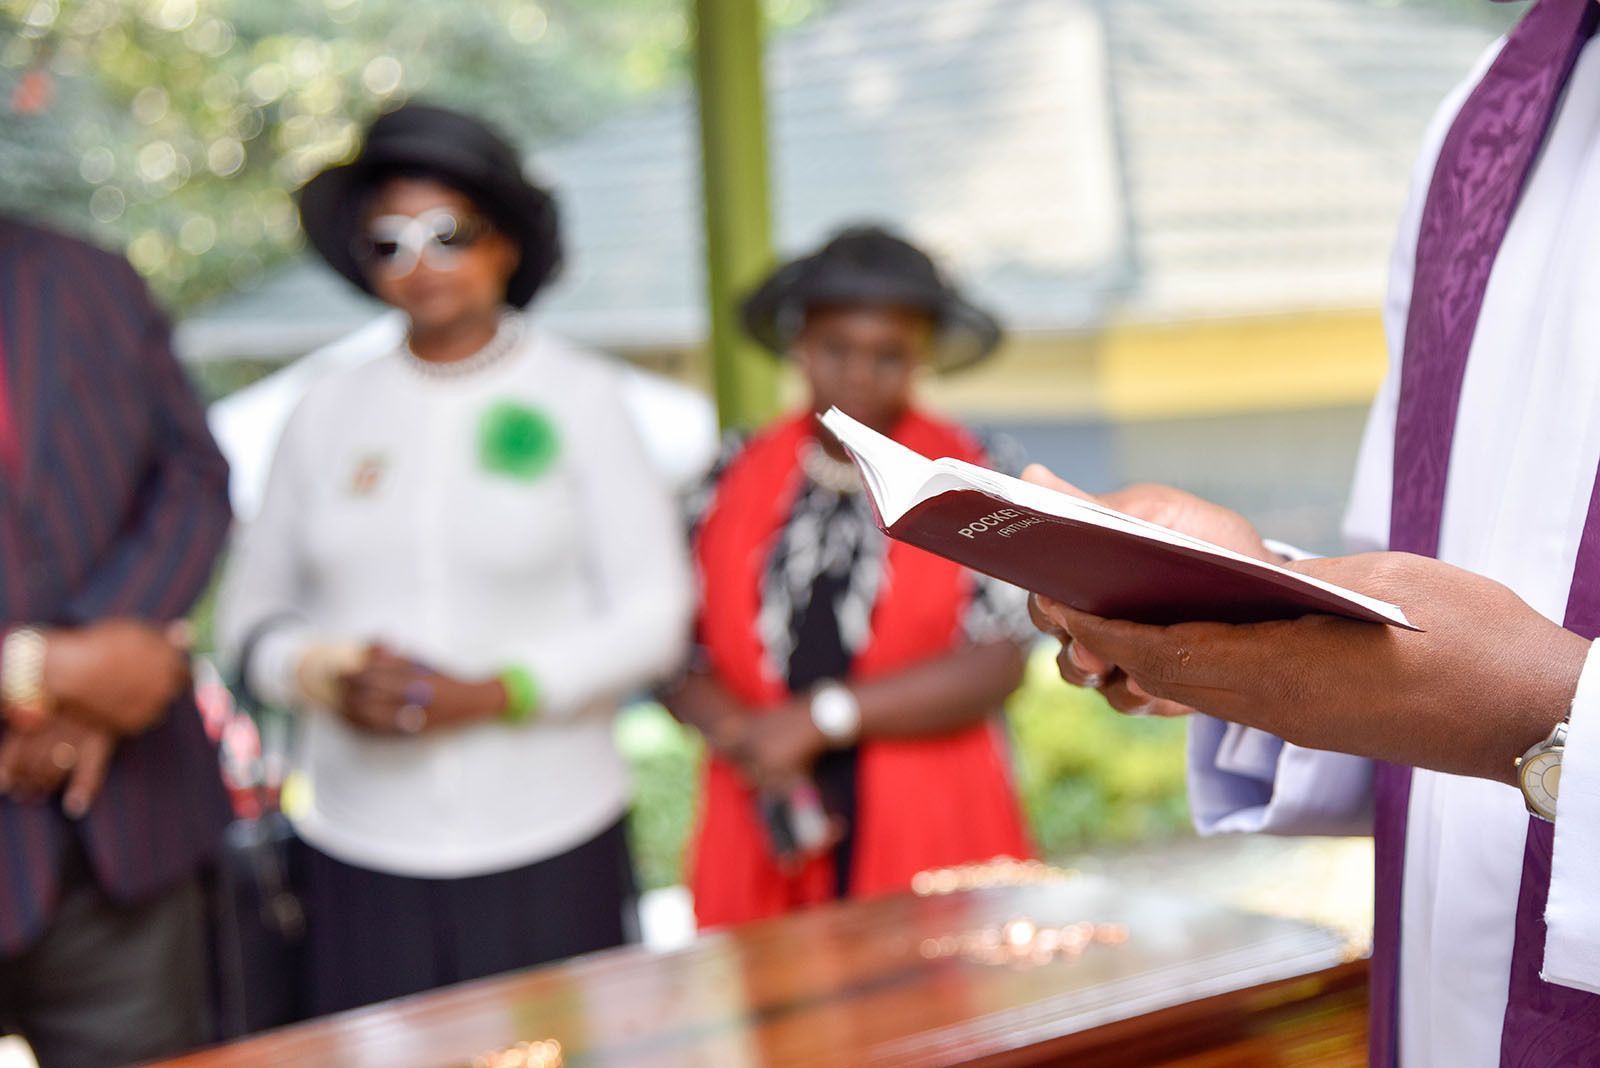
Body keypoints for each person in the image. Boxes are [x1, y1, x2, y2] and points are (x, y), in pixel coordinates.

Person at [1029, 0, 1600, 1062]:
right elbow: (1429, 600)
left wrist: (1548, 717)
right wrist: (1246, 607)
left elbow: (1496, 686)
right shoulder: (1488, 114)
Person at [215, 102, 693, 1015]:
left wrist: (497, 690)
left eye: (448, 232)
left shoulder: (582, 397)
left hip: (552, 840)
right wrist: (325, 674)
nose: (420, 262)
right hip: (360, 849)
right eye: (387, 242)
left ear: (505, 241)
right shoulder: (323, 411)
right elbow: (249, 618)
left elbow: (655, 616)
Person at [663, 226, 1034, 928]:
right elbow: (674, 651)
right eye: (837, 350)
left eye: (887, 355)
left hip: (931, 813)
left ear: (920, 354)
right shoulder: (730, 472)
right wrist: (752, 738)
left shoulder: (974, 473)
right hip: (764, 800)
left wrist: (818, 721)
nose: (859, 374)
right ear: (801, 344)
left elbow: (999, 661)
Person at [0, 218, 234, 1067]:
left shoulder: (86, 275)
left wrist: (103, 670)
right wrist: (41, 671)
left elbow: (193, 480)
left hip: (117, 850)